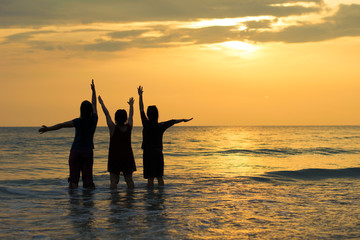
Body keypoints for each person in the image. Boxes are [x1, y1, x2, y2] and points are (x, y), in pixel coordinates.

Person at [39, 80, 98, 189]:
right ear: (90, 110)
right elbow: (94, 104)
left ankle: (73, 204)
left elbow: (62, 125)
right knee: (88, 181)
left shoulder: (77, 121)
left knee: (73, 181)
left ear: (81, 110)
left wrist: (48, 129)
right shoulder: (94, 120)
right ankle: (88, 204)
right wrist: (94, 91)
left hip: (75, 151)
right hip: (87, 151)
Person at [137, 85, 193, 187]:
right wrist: (183, 120)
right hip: (158, 153)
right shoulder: (161, 126)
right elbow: (173, 121)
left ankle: (150, 200)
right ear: (157, 114)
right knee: (159, 177)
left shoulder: (146, 123)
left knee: (150, 177)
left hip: (148, 154)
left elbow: (141, 109)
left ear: (148, 115)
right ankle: (160, 197)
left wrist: (140, 96)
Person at [98, 95, 136, 189]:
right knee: (129, 180)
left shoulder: (112, 128)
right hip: (127, 156)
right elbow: (131, 116)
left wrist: (102, 103)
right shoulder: (129, 127)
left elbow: (107, 114)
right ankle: (131, 201)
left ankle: (114, 202)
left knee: (113, 181)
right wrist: (131, 105)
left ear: (116, 118)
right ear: (125, 118)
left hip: (114, 157)